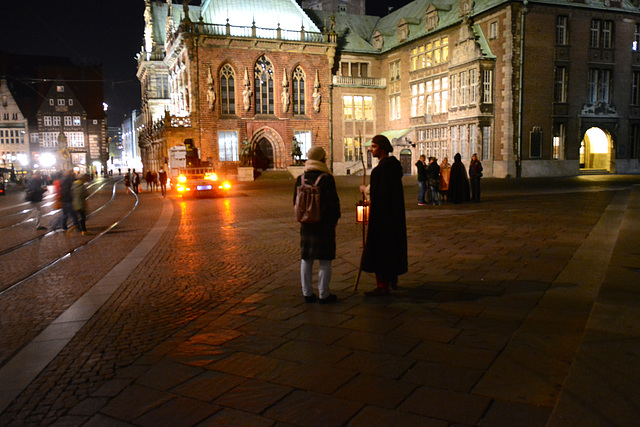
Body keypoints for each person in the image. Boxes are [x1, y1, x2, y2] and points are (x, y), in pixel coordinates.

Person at [359, 135, 408, 296]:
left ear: (382, 148)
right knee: (391, 247)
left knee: (379, 249)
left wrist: (365, 190)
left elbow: (377, 195)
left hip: (381, 217)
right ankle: (391, 279)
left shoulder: (380, 170)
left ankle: (382, 285)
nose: (371, 149)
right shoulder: (394, 167)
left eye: (373, 146)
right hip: (394, 216)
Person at [294, 146, 341, 304]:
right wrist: (333, 221)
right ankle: (323, 294)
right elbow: (333, 203)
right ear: (322, 159)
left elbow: (295, 202)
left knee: (306, 259)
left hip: (306, 224)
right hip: (324, 225)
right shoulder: (326, 178)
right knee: (325, 260)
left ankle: (307, 293)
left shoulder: (300, 178)